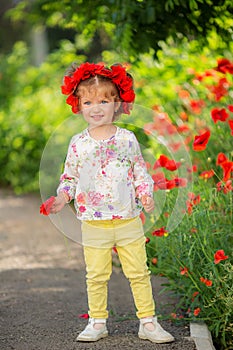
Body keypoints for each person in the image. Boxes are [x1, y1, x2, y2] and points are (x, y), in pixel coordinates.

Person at [49, 62, 174, 343]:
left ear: (116, 103)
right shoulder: (78, 143)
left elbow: (140, 171)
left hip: (128, 218)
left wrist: (145, 193)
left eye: (104, 100)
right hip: (93, 221)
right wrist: (61, 197)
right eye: (88, 101)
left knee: (139, 272)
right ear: (79, 105)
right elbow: (69, 177)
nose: (96, 107)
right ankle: (97, 321)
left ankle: (148, 322)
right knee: (96, 275)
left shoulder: (126, 139)